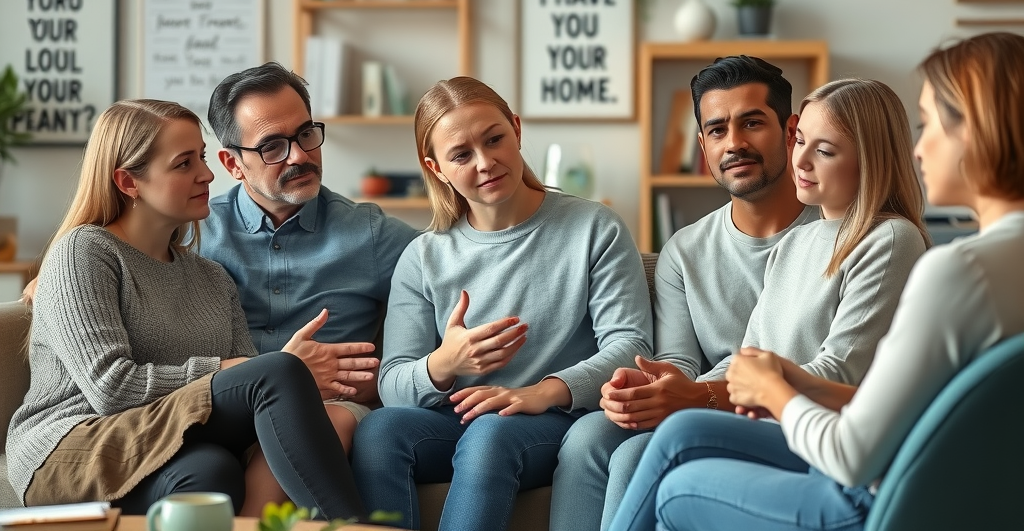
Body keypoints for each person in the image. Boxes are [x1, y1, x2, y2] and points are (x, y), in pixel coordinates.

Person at [605, 33, 1024, 529]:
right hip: (850, 446)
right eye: (800, 141)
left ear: (978, 131)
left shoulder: (937, 259)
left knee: (677, 462)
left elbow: (854, 425)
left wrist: (765, 388)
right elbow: (763, 362)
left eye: (929, 123)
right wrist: (741, 382)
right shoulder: (793, 245)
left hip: (864, 480)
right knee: (656, 439)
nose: (919, 147)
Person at [5, 100, 367, 520]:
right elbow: (111, 388)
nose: (208, 174)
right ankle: (355, 528)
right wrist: (248, 369)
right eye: (183, 164)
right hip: (72, 446)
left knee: (210, 472)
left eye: (202, 157)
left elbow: (244, 393)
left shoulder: (212, 278)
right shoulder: (85, 251)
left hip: (164, 442)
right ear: (128, 182)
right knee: (280, 370)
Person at [349, 76, 654, 531]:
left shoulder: (594, 228)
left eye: (495, 139)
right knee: (378, 432)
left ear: (516, 128)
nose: (486, 162)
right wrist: (443, 363)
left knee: (491, 433)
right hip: (458, 419)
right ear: (436, 168)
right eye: (461, 155)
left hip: (552, 419)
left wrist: (541, 392)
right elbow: (393, 383)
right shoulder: (424, 255)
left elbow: (630, 344)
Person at [551, 55, 819, 531]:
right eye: (716, 130)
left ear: (791, 129)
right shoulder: (685, 249)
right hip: (703, 400)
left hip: (787, 409)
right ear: (701, 143)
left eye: (752, 123)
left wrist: (695, 397)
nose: (734, 143)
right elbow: (679, 362)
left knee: (637, 454)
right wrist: (643, 389)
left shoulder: (834, 233)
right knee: (589, 434)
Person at [200, 63, 419, 506]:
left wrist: (389, 378)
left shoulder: (371, 234)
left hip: (331, 409)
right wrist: (45, 284)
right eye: (272, 147)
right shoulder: (194, 232)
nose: (299, 155)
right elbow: (110, 252)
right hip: (224, 408)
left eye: (305, 134)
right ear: (232, 164)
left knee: (312, 429)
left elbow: (459, 265)